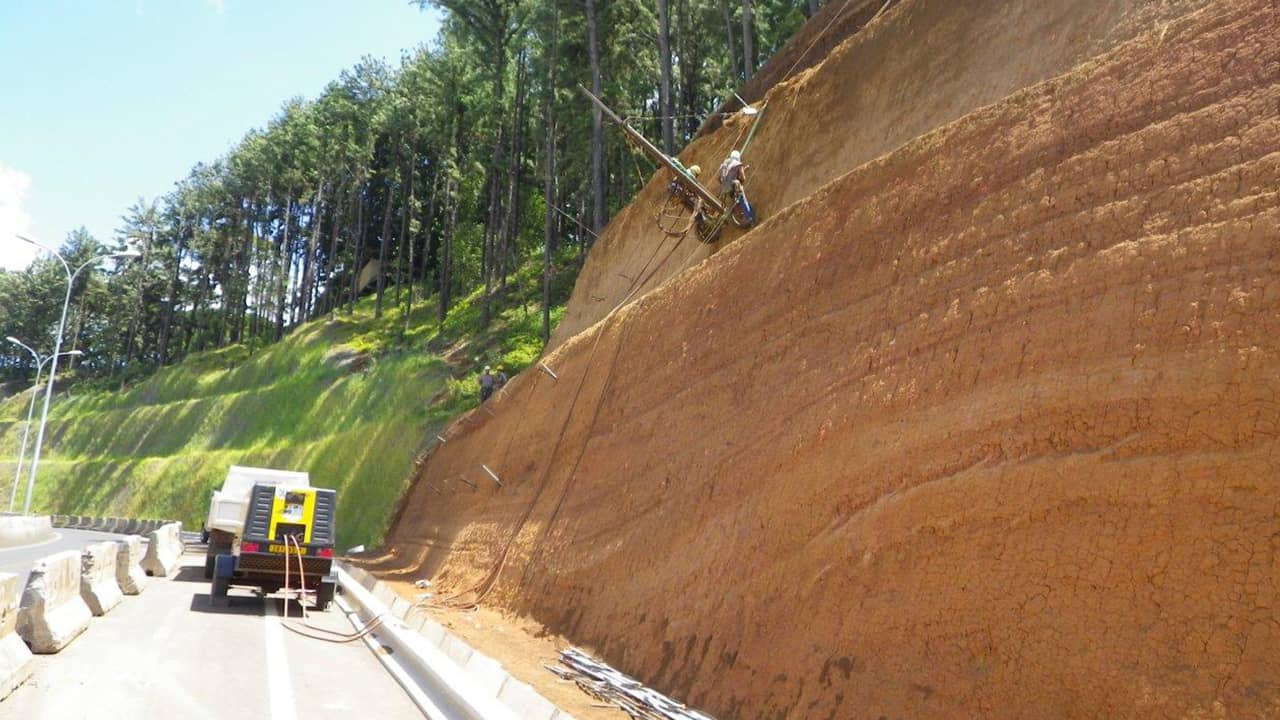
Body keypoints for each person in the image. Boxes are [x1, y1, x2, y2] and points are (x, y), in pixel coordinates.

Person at [717, 150, 755, 225]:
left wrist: (724, 183)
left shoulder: (724, 163)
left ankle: (734, 206)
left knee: (732, 194)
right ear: (738, 157)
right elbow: (743, 177)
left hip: (725, 187)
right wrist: (741, 182)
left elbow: (718, 178)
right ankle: (749, 218)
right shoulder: (738, 164)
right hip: (734, 185)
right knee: (742, 198)